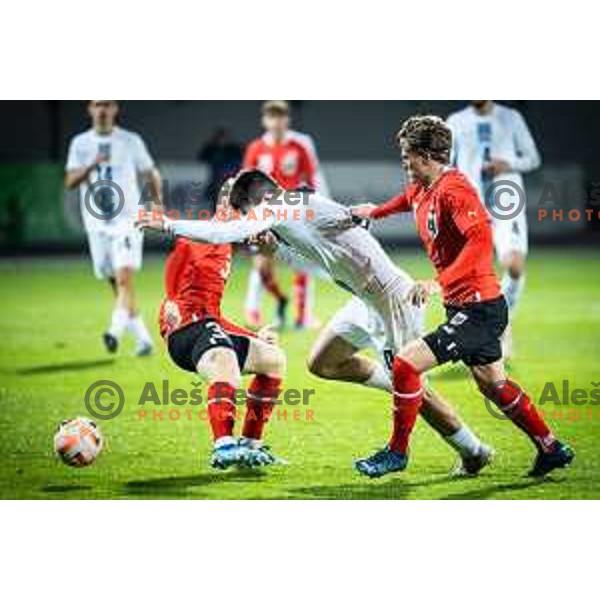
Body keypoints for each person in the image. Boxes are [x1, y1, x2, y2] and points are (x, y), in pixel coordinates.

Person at [137, 169, 493, 475]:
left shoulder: (282, 205)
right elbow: (321, 251)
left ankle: (473, 450)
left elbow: (220, 233)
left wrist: (165, 223)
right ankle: (394, 383)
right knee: (322, 361)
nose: (247, 223)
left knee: (417, 387)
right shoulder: (297, 206)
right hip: (365, 299)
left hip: (390, 300)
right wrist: (275, 248)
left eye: (245, 213)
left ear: (255, 203)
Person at [351, 115, 573, 479]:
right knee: (493, 385)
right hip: (468, 306)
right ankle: (550, 447)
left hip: (480, 309)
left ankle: (396, 452)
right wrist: (374, 212)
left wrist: (439, 282)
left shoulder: (455, 189)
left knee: (405, 364)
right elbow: (407, 200)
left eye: (407, 155)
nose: (404, 162)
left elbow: (481, 239)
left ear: (425, 156)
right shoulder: (423, 187)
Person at [158, 215, 286, 470]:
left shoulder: (226, 247)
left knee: (273, 360)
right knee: (225, 361)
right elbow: (178, 259)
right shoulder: (200, 236)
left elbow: (213, 317)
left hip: (206, 325)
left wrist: (253, 337)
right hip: (183, 329)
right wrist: (170, 302)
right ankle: (224, 446)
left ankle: (250, 446)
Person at [447, 101, 541, 356]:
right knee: (474, 274)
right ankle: (485, 329)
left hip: (506, 201)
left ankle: (503, 319)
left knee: (514, 265)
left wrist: (508, 163)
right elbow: (447, 165)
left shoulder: (511, 118)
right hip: (472, 206)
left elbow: (533, 158)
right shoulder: (456, 121)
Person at [65, 101, 158, 356]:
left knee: (124, 280)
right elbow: (70, 181)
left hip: (127, 221)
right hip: (97, 224)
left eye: (107, 104)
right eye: (98, 104)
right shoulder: (80, 143)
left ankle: (113, 332)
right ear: (90, 108)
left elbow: (151, 173)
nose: (102, 109)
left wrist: (154, 206)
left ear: (115, 108)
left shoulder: (130, 141)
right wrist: (92, 164)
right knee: (118, 286)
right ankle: (144, 340)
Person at [243, 100, 324, 329]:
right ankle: (266, 306)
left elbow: (310, 182)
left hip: (293, 213)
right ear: (264, 120)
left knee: (303, 264)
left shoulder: (298, 148)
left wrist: (310, 211)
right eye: (271, 117)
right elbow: (246, 182)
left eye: (280, 117)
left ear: (287, 119)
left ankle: (302, 317)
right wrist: (249, 211)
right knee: (261, 265)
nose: (276, 122)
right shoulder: (256, 148)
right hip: (265, 214)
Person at [197, 127, 243, 206]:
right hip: (215, 180)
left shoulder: (234, 149)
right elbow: (201, 159)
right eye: (220, 137)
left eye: (224, 137)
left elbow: (240, 161)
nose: (222, 140)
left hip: (230, 179)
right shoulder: (210, 148)